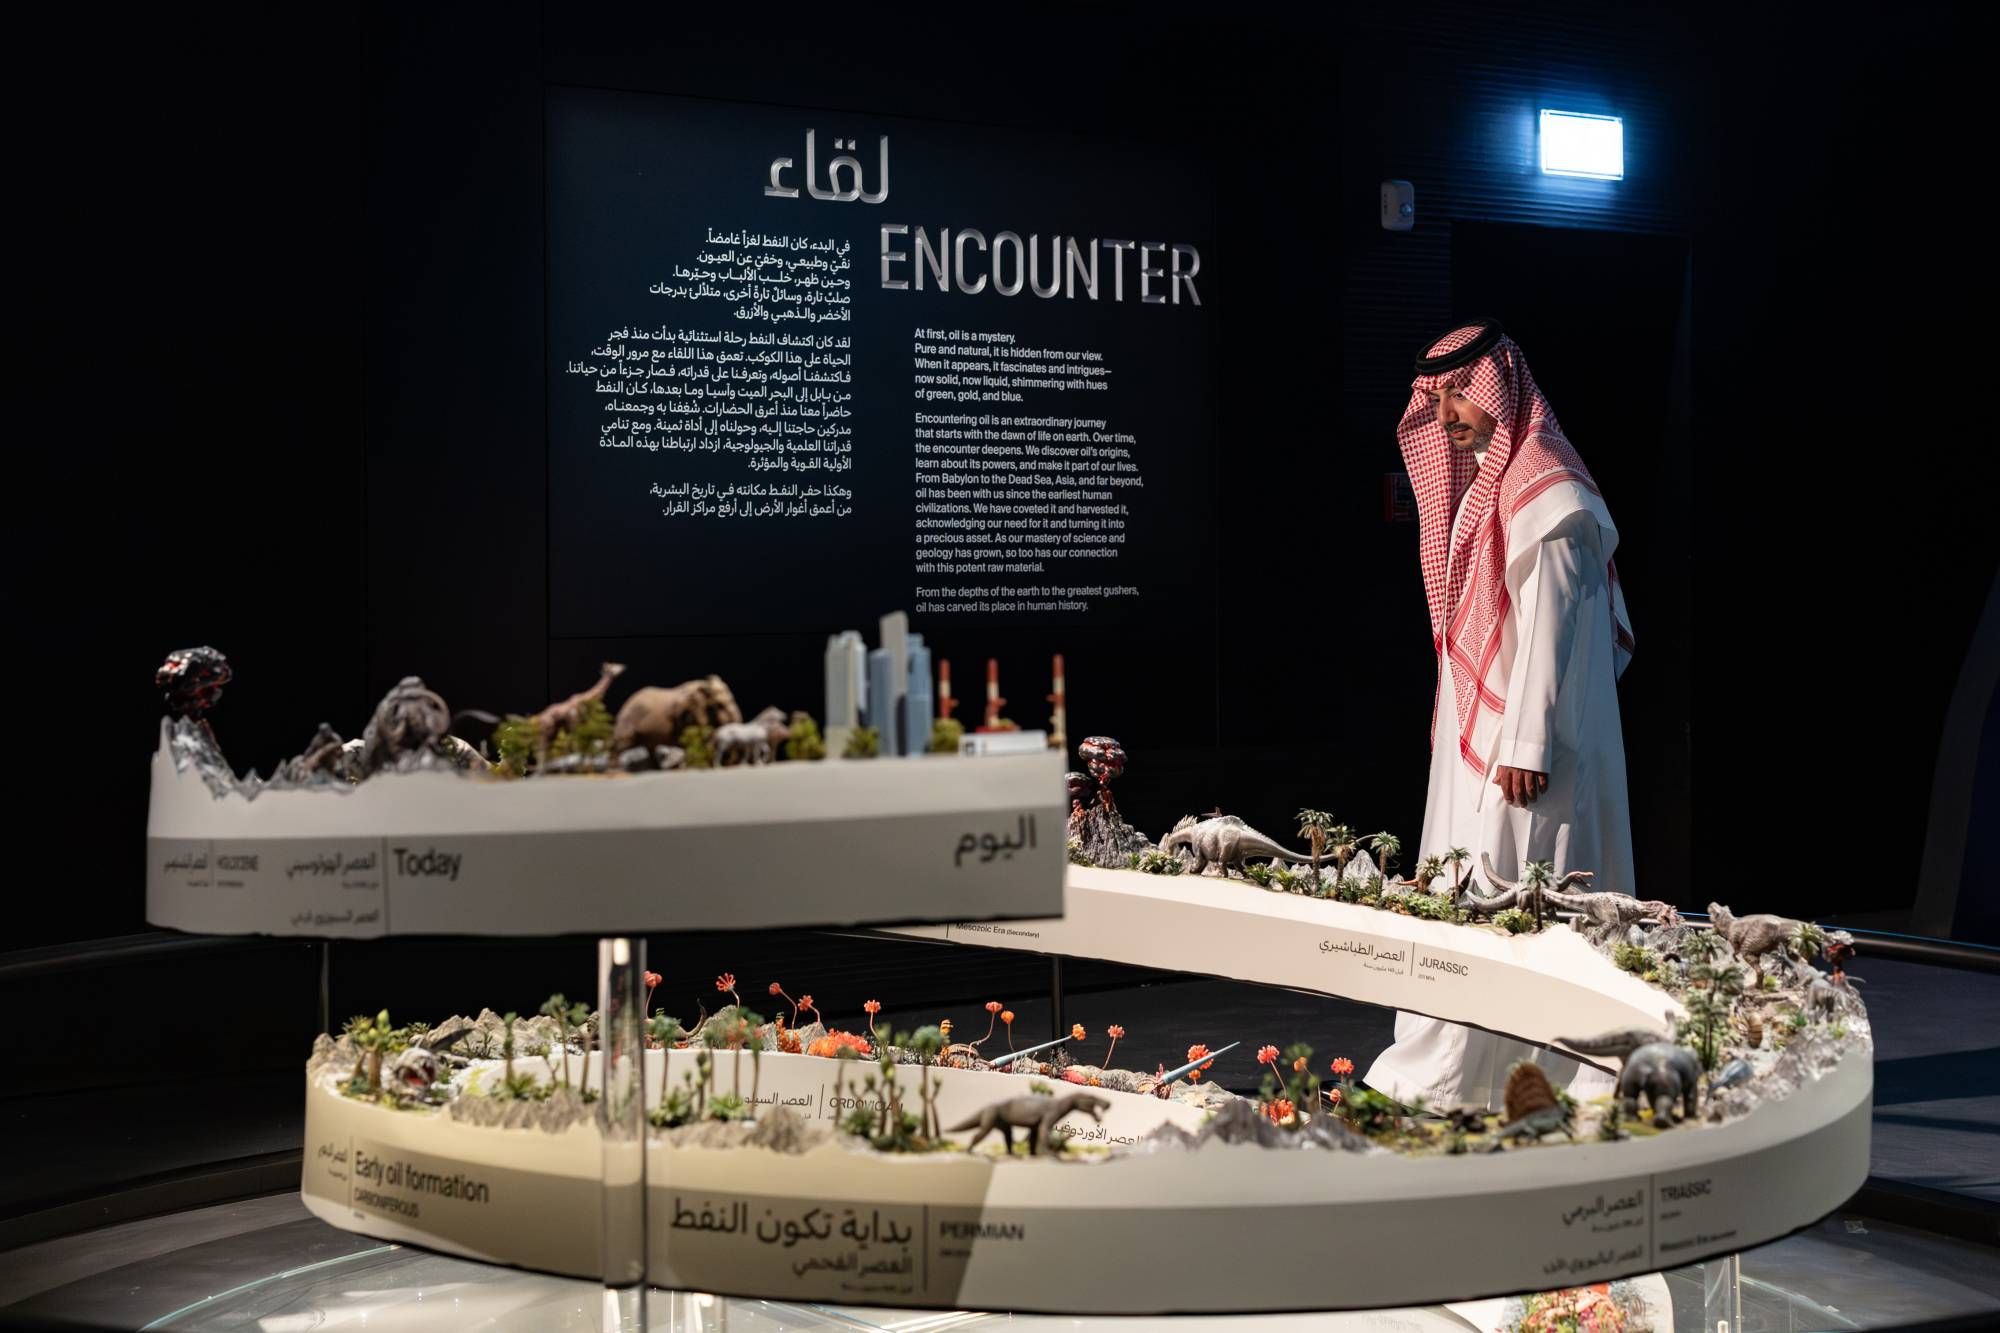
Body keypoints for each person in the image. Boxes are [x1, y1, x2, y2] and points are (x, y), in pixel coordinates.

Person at [1363, 319, 1637, 1111]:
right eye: (1437, 397)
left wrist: (1527, 741)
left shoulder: (1546, 489)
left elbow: (1552, 628)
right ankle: (1464, 1077)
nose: (1447, 413)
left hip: (1533, 751)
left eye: (1461, 393)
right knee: (1468, 892)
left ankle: (1549, 1077)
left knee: (1521, 897)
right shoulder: (1492, 485)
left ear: (1502, 386)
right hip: (1483, 741)